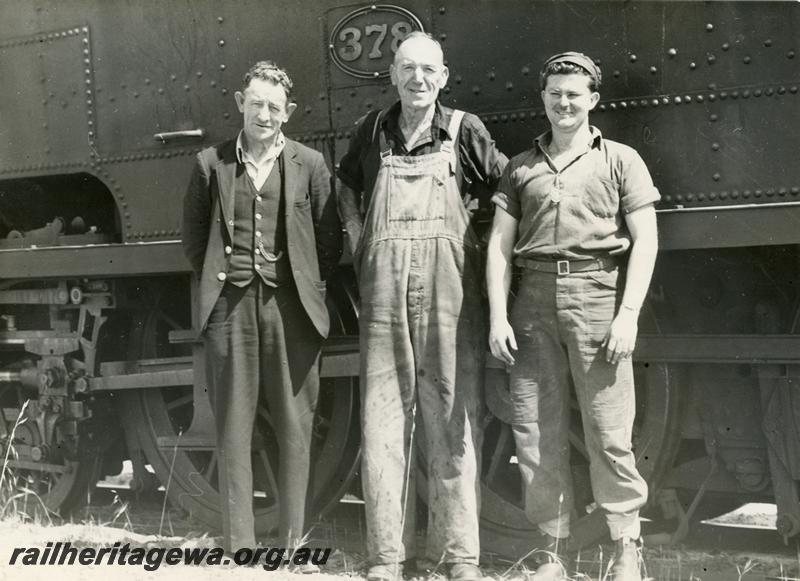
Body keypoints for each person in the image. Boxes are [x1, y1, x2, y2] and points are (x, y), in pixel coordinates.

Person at [337, 32, 507, 581]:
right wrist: (359, 237)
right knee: (383, 420)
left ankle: (457, 558)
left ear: (445, 75)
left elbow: (507, 192)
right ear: (392, 74)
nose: (418, 79)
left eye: (428, 69)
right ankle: (386, 558)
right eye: (407, 68)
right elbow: (345, 187)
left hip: (449, 292)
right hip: (383, 290)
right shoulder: (373, 130)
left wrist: (479, 244)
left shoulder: (465, 131)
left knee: (452, 418)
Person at [486, 52, 659, 581]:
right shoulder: (520, 167)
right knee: (537, 432)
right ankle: (552, 552)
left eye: (574, 94)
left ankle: (627, 547)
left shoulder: (621, 160)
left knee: (609, 429)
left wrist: (628, 315)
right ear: (543, 99)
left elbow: (647, 239)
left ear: (593, 101)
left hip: (598, 296)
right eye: (555, 94)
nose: (565, 103)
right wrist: (498, 316)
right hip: (532, 300)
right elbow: (498, 244)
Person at [182, 61, 342, 556]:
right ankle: (239, 548)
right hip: (230, 309)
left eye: (274, 107)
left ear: (288, 112)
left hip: (291, 308)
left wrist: (295, 281)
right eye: (256, 104)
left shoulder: (310, 164)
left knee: (296, 426)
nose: (264, 114)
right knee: (233, 426)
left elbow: (328, 242)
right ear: (239, 104)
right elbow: (194, 242)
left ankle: (295, 546)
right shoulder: (211, 164)